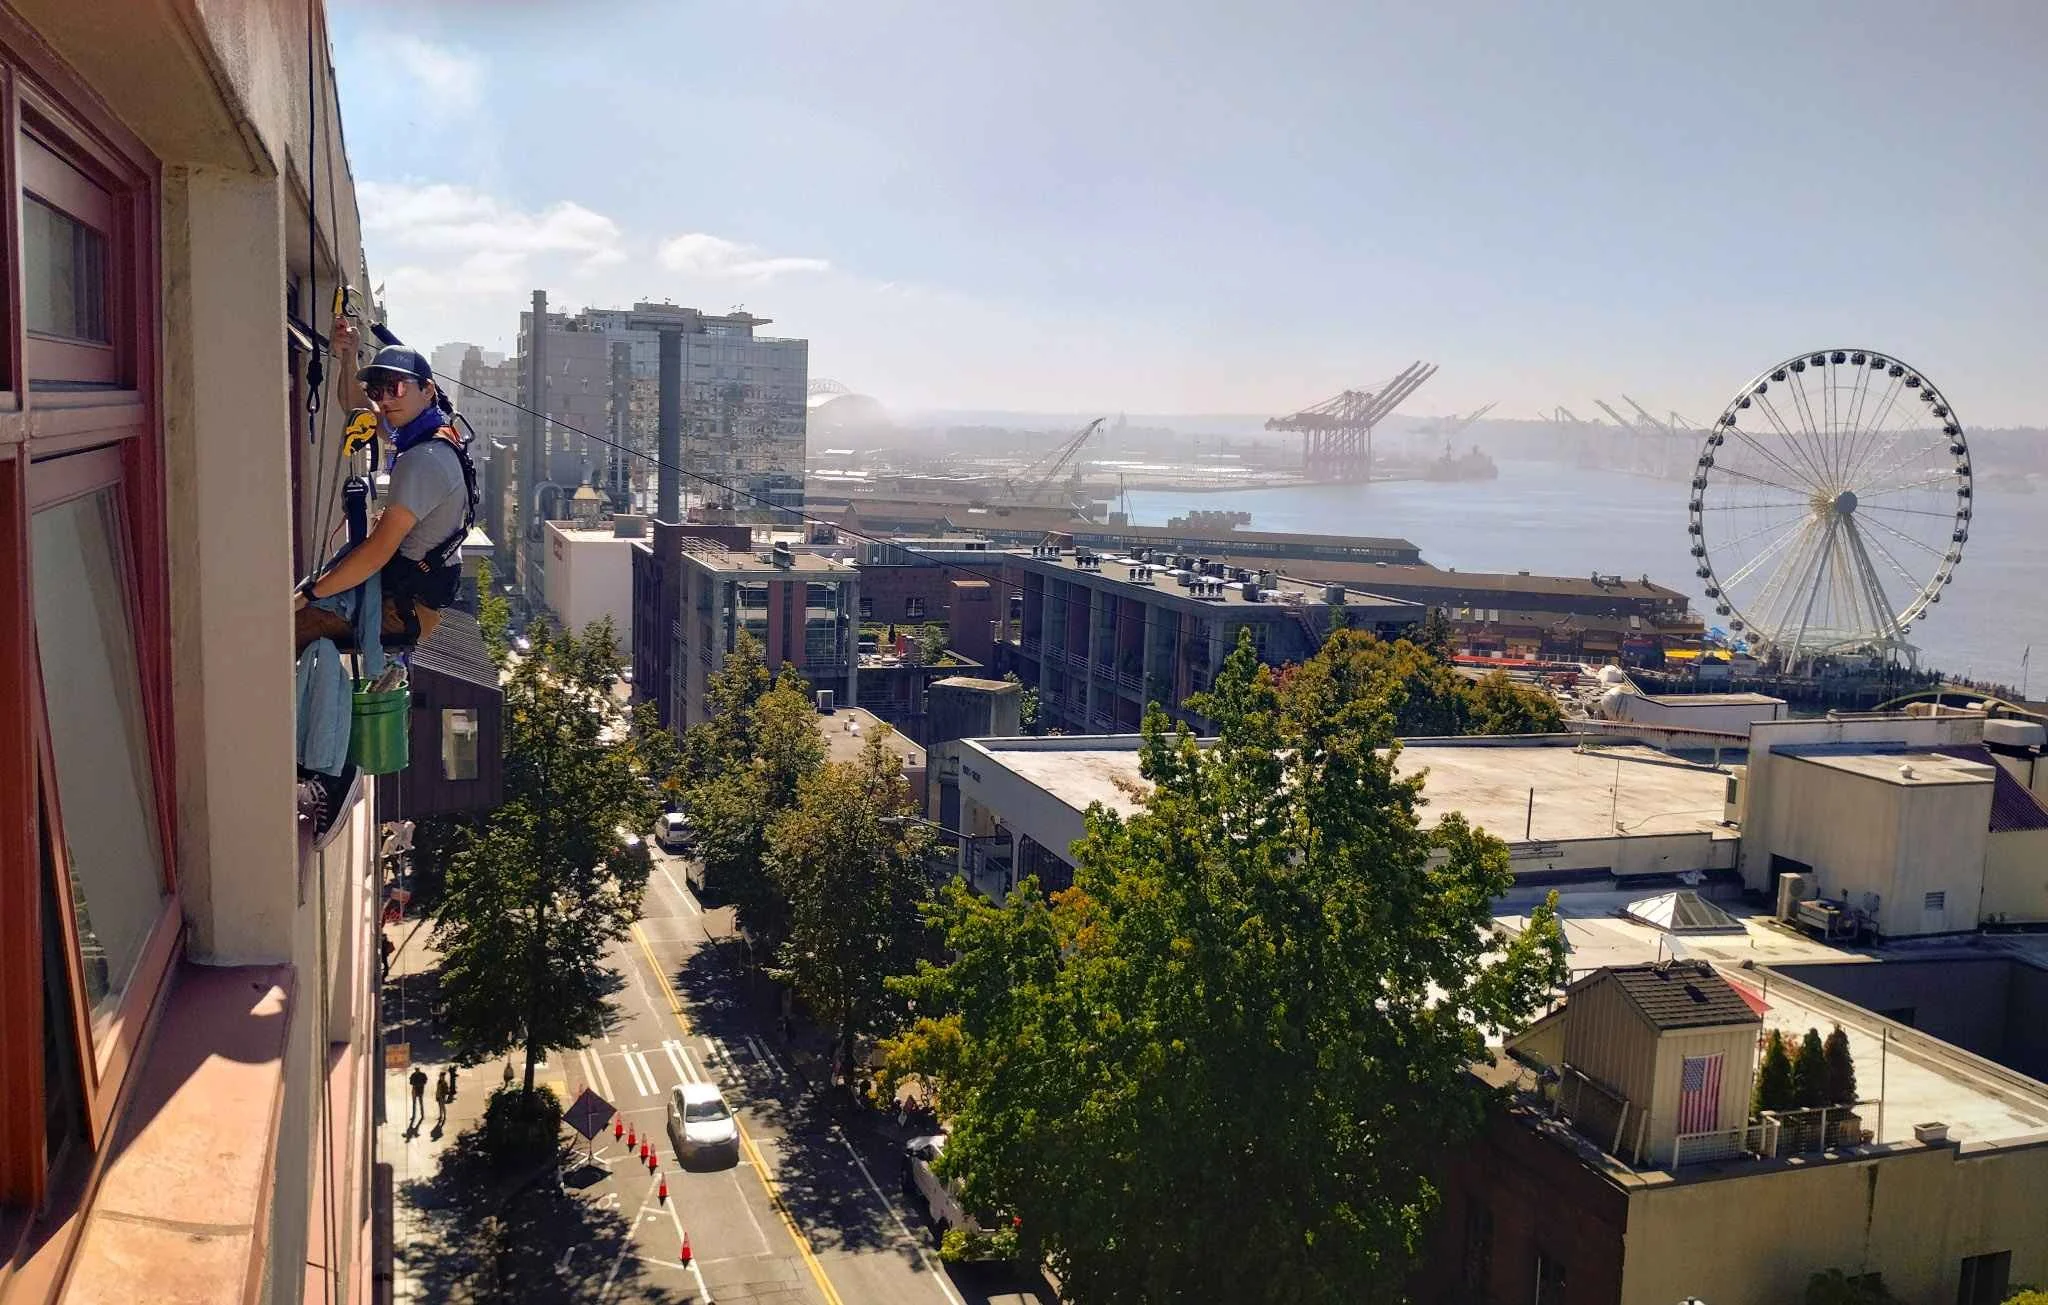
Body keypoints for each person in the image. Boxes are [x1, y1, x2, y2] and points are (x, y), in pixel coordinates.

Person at [295, 317, 477, 651]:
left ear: (428, 390)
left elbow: (376, 553)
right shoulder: (429, 434)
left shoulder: (423, 459)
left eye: (397, 388)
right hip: (409, 593)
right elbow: (359, 409)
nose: (386, 400)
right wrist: (348, 358)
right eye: (379, 392)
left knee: (280, 629)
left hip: (401, 606)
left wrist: (309, 595)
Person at [408, 1065, 429, 1130]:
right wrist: (414, 1083)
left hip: (420, 1091)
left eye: (417, 1070)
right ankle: (414, 1115)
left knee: (420, 1103)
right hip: (415, 1091)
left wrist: (420, 1084)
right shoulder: (413, 1075)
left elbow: (425, 1081)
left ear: (419, 1070)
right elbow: (410, 1082)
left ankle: (422, 1115)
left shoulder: (422, 1075)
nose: (416, 1071)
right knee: (414, 1104)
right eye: (416, 1070)